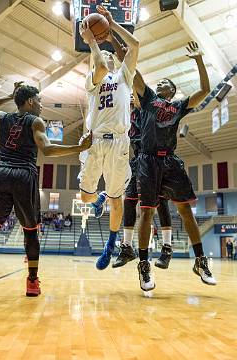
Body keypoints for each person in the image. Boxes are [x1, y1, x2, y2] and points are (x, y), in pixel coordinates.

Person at [132, 41, 216, 290]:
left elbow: (205, 89)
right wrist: (120, 43)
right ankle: (144, 265)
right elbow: (134, 72)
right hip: (147, 160)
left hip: (169, 160)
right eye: (158, 83)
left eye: (164, 83)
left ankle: (200, 260)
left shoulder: (178, 106)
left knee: (186, 211)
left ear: (172, 90)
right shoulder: (148, 99)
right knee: (146, 211)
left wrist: (199, 59)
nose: (159, 84)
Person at [0, 83, 92, 296]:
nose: (41, 105)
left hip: (1, 173)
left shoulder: (2, 118)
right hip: (23, 175)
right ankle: (32, 282)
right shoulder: (35, 121)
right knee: (31, 232)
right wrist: (79, 147)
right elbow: (47, 150)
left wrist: (9, 97)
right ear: (30, 101)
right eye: (39, 100)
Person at [79, 5, 139, 270]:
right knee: (84, 199)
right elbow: (101, 63)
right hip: (95, 143)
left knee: (118, 201)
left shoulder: (125, 76)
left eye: (110, 55)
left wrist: (112, 25)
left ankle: (110, 246)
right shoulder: (93, 81)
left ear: (118, 60)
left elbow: (134, 45)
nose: (106, 57)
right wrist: (92, 44)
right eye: (101, 56)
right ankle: (98, 197)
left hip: (118, 142)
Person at [112, 92, 173, 272]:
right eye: (129, 96)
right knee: (128, 201)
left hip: (156, 160)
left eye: (135, 95)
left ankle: (167, 247)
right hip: (138, 160)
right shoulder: (128, 116)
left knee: (161, 202)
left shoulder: (151, 110)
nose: (131, 97)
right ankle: (127, 248)